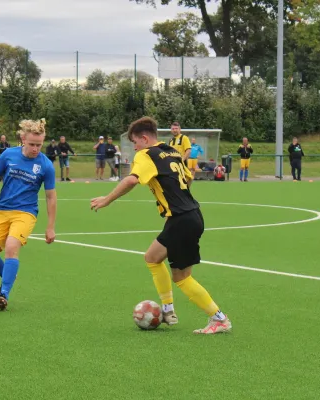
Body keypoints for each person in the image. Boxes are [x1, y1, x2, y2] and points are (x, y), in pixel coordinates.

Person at [90, 116, 231, 335]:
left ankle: (218, 318)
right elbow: (188, 178)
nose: (135, 147)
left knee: (181, 278)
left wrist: (106, 200)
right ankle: (168, 310)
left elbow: (131, 180)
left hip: (182, 219)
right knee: (152, 258)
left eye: (135, 143)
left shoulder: (146, 155)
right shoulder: (172, 151)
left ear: (144, 139)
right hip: (190, 215)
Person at [0, 118, 57, 311]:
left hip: (26, 213)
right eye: (32, 144)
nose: (35, 149)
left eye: (39, 145)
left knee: (11, 247)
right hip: (1, 210)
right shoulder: (8, 155)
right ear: (23, 139)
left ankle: (4, 293)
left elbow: (50, 197)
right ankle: (9, 274)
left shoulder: (46, 165)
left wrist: (50, 227)